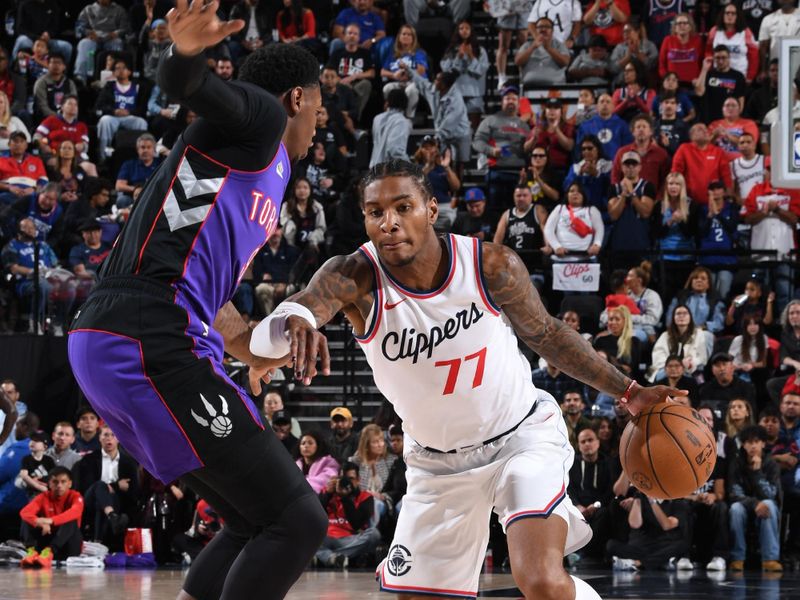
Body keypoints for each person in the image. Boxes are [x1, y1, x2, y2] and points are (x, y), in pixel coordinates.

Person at [252, 159, 682, 598]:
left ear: (432, 210)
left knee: (540, 580)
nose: (389, 223)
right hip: (437, 464)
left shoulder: (489, 264)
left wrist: (629, 390)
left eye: (403, 207)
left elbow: (549, 334)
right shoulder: (355, 274)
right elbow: (308, 304)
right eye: (375, 212)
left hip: (521, 439)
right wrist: (296, 319)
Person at [67, 11, 330, 600]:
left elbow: (223, 314)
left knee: (251, 521)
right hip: (148, 333)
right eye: (318, 104)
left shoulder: (267, 172)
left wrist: (264, 346)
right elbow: (187, 83)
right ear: (295, 97)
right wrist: (184, 54)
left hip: (122, 336)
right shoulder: (263, 121)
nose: (322, 119)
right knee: (299, 520)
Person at [743, 159, 800, 313]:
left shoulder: (792, 190)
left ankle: (785, 325)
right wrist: (764, 212)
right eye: (769, 169)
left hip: (785, 251)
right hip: (760, 252)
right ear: (765, 171)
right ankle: (756, 324)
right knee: (756, 293)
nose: (772, 173)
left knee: (784, 292)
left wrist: (778, 210)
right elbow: (747, 218)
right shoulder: (756, 190)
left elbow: (795, 219)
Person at [727, 425, 783, 571]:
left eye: (756, 442)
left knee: (768, 504)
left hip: (767, 506)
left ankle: (770, 559)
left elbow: (772, 494)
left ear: (763, 443)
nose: (753, 446)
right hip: (746, 505)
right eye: (749, 442)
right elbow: (734, 494)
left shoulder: (771, 464)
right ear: (743, 445)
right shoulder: (736, 464)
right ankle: (737, 558)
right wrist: (754, 503)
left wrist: (757, 473)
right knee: (735, 509)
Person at [473, 86, 530, 214]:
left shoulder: (524, 125)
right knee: (495, 212)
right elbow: (477, 142)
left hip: (518, 175)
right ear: (502, 101)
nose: (510, 101)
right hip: (496, 173)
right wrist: (492, 151)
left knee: (517, 212)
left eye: (514, 99)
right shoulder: (490, 120)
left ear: (518, 102)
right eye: (507, 98)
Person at [315, 461, 382, 569]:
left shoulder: (365, 497)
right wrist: (327, 494)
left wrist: (345, 497)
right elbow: (315, 516)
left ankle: (329, 557)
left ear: (358, 480)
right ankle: (340, 558)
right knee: (306, 532)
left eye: (350, 479)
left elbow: (357, 524)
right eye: (343, 479)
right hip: (326, 537)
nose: (346, 482)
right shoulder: (328, 492)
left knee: (374, 534)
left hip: (350, 539)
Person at [404, 67, 471, 166]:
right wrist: (407, 69)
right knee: (441, 161)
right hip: (442, 133)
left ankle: (459, 181)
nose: (434, 81)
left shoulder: (456, 100)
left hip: (460, 134)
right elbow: (421, 82)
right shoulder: (433, 91)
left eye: (438, 80)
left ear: (444, 84)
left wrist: (437, 138)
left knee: (459, 164)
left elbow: (450, 122)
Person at [567, 427, 615, 561]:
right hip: (577, 506)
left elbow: (610, 490)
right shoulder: (572, 464)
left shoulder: (607, 463)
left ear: (598, 443)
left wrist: (596, 505)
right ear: (579, 446)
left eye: (590, 440)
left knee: (605, 514)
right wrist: (577, 506)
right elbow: (568, 488)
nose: (587, 444)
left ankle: (585, 554)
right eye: (583, 442)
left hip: (598, 506)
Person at [19, 466, 84, 563]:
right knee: (27, 519)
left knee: (71, 520)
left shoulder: (75, 496)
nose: (59, 485)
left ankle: (50, 551)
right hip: (46, 539)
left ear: (70, 483)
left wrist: (51, 521)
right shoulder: (43, 497)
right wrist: (39, 523)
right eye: (55, 482)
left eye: (63, 482)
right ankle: (31, 552)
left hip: (67, 545)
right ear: (49, 484)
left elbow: (75, 511)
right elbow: (25, 512)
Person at [93, 56, 149, 163]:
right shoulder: (109, 86)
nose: (121, 71)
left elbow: (143, 108)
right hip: (113, 116)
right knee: (104, 121)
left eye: (123, 68)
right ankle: (103, 156)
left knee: (141, 123)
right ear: (113, 73)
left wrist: (129, 112)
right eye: (117, 68)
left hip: (131, 117)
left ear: (129, 72)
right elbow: (99, 106)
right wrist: (113, 111)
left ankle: (140, 155)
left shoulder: (138, 87)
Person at [440, 20, 490, 131]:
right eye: (461, 28)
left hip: (474, 93)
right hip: (456, 93)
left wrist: (471, 56)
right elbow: (447, 71)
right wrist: (459, 57)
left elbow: (481, 70)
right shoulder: (451, 50)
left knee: (473, 129)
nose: (464, 31)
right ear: (457, 31)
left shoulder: (480, 51)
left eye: (467, 28)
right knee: (456, 129)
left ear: (471, 31)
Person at [605, 153, 656, 262]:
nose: (631, 167)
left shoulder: (647, 187)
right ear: (622, 167)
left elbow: (645, 213)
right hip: (618, 245)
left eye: (634, 164)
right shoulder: (614, 188)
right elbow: (613, 215)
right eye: (627, 164)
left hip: (641, 244)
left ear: (640, 167)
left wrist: (632, 193)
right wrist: (623, 194)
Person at [672, 123, 733, 206]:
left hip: (713, 201)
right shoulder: (684, 149)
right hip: (689, 201)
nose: (705, 131)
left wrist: (729, 195)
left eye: (706, 129)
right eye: (700, 129)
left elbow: (726, 175)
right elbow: (676, 173)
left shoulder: (718, 152)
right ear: (692, 136)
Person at [326, 23, 375, 122]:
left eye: (355, 34)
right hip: (340, 83)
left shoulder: (364, 53)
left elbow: (371, 73)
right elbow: (329, 71)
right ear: (344, 36)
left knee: (366, 84)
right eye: (350, 33)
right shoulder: (337, 53)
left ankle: (354, 117)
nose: (352, 36)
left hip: (357, 85)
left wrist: (354, 76)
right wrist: (341, 81)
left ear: (359, 37)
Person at [610, 114, 670, 195]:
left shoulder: (661, 153)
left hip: (653, 201)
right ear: (633, 132)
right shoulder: (622, 152)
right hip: (626, 199)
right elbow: (615, 177)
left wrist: (658, 199)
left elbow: (665, 180)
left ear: (651, 131)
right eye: (638, 127)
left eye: (644, 127)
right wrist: (618, 196)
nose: (641, 129)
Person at [542, 182, 603, 261]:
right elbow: (548, 229)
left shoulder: (591, 210)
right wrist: (556, 246)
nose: (575, 193)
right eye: (572, 191)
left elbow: (599, 228)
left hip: (586, 258)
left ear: (584, 195)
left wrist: (596, 244)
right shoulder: (560, 208)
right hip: (561, 258)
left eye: (579, 191)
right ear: (567, 195)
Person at [575, 93, 633, 175]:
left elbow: (627, 148)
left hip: (616, 168)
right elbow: (579, 149)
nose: (605, 104)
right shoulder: (586, 126)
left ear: (613, 106)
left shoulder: (622, 125)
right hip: (591, 168)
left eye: (608, 102)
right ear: (597, 106)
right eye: (602, 102)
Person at [73, 0, 129, 83]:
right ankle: (81, 78)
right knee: (84, 44)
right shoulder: (88, 9)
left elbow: (125, 28)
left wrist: (116, 33)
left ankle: (114, 78)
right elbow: (79, 27)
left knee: (118, 43)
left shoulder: (119, 10)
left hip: (111, 38)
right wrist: (88, 32)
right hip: (93, 37)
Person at [648, 305, 707, 382]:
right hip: (668, 369)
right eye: (678, 313)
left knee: (698, 381)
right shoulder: (665, 335)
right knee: (659, 376)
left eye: (685, 313)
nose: (681, 316)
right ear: (673, 317)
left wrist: (691, 362)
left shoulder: (699, 334)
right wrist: (672, 365)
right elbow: (658, 355)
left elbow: (702, 357)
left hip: (689, 369)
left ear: (690, 317)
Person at [380, 24, 428, 119]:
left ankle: (409, 117)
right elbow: (382, 72)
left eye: (409, 34)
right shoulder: (393, 54)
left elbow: (421, 70)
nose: (406, 36)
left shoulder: (419, 53)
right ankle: (392, 115)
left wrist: (407, 73)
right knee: (387, 88)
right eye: (404, 34)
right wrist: (394, 75)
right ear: (399, 37)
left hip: (416, 83)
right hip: (399, 81)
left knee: (410, 90)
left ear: (413, 38)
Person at [704, 3, 760, 82]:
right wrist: (709, 71)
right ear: (722, 15)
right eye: (727, 13)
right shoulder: (714, 31)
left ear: (738, 16)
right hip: (718, 76)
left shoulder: (746, 32)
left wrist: (750, 76)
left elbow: (754, 56)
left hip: (740, 76)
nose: (730, 16)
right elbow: (708, 52)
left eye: (733, 13)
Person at [694, 46, 746, 122]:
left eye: (723, 58)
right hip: (709, 119)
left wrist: (735, 120)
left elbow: (740, 100)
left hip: (728, 120)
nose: (721, 61)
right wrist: (704, 69)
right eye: (717, 58)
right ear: (714, 59)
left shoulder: (738, 76)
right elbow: (699, 92)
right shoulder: (708, 74)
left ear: (729, 58)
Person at [515, 17, 571, 87]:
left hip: (555, 87)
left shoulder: (559, 45)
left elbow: (565, 62)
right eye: (540, 27)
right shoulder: (527, 45)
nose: (543, 29)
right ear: (536, 30)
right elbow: (518, 62)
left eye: (547, 27)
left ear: (552, 30)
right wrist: (533, 47)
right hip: (529, 87)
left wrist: (548, 48)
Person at [594, 305, 643, 380]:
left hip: (627, 380)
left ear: (625, 321)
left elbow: (634, 368)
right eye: (610, 319)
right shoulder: (600, 340)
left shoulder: (635, 342)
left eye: (617, 319)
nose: (613, 322)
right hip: (604, 379)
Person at [114, 133, 162, 208]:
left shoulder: (160, 164)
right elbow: (119, 186)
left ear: (154, 149)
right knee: (122, 200)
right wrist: (136, 189)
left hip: (154, 195)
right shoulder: (129, 164)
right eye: (142, 147)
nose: (145, 150)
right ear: (137, 149)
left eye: (149, 147)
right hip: (133, 197)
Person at [658, 12, 703, 85]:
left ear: (690, 27)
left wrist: (700, 79)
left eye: (685, 23)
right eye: (679, 23)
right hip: (672, 84)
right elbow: (661, 64)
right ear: (674, 28)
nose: (682, 26)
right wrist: (666, 79)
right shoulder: (668, 40)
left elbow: (701, 62)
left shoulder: (697, 41)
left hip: (693, 83)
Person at [370, 89, 411, 167]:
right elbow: (395, 150)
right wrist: (410, 167)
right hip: (389, 172)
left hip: (374, 169)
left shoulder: (377, 118)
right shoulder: (401, 121)